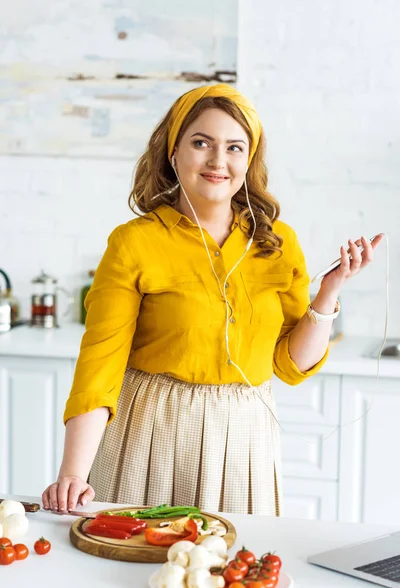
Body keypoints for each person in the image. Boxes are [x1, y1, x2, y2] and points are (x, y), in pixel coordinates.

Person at [42, 84, 382, 516]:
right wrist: (73, 472)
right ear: (174, 152)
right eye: (201, 142)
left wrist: (329, 292)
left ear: (248, 160)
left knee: (233, 572)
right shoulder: (134, 243)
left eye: (234, 147)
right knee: (133, 568)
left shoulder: (278, 243)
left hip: (245, 438)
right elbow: (100, 363)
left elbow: (290, 364)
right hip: (151, 431)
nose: (218, 161)